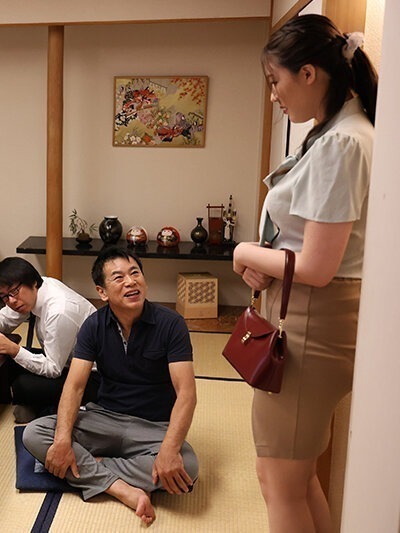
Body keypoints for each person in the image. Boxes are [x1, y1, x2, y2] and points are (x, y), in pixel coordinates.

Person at [232, 15, 377, 533]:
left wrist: (245, 251)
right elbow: (306, 247)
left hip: (314, 322)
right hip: (306, 313)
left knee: (279, 482)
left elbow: (317, 266)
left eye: (276, 81)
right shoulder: (333, 133)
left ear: (309, 73)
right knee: (298, 479)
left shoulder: (342, 142)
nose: (274, 95)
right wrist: (265, 264)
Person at [22, 247, 198, 525]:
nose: (130, 282)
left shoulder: (171, 324)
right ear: (102, 292)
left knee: (187, 466)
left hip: (152, 426)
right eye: (118, 277)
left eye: (135, 273)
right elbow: (75, 387)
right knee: (35, 433)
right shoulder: (93, 326)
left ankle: (93, 466)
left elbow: (186, 394)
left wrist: (168, 451)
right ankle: (121, 489)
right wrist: (63, 440)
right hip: (103, 418)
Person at [0, 257, 98, 423]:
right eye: (4, 297)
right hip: (66, 361)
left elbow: (53, 369)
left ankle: (41, 405)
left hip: (92, 376)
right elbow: (5, 317)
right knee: (6, 359)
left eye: (14, 292)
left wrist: (14, 349)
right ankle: (36, 403)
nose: (11, 301)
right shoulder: (36, 290)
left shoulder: (59, 311)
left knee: (23, 384)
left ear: (32, 282)